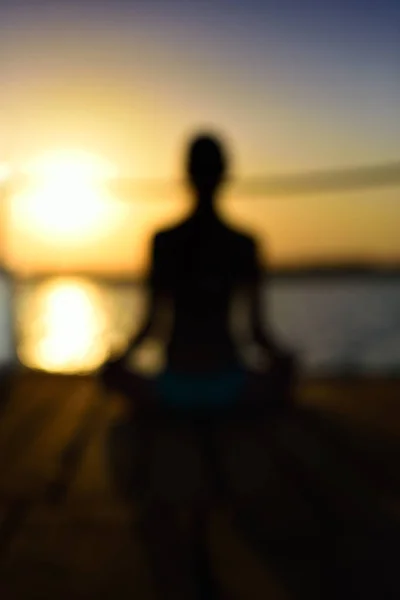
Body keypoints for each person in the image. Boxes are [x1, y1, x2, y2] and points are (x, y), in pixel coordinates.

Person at [100, 133, 297, 599]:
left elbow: (148, 329)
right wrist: (284, 367)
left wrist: (115, 365)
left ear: (186, 177)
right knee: (280, 380)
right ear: (225, 176)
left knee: (119, 384)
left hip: (172, 387)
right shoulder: (243, 243)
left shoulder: (166, 241)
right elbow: (257, 335)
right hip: (231, 385)